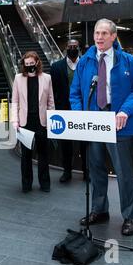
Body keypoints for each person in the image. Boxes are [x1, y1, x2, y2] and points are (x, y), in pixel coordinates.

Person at [69, 18, 133, 236]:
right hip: (93, 123)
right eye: (96, 33)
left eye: (104, 33)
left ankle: (130, 216)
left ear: (113, 36)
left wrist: (124, 111)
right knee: (95, 170)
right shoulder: (84, 62)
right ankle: (99, 210)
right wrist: (80, 115)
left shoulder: (129, 62)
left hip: (118, 122)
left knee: (123, 173)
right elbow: (75, 93)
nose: (99, 37)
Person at [11, 51, 55, 193]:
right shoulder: (18, 78)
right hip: (25, 122)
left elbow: (51, 102)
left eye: (32, 63)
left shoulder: (47, 78)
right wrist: (15, 121)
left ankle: (45, 183)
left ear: (37, 62)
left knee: (43, 154)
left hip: (42, 121)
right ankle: (26, 184)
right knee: (26, 155)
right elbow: (15, 101)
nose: (30, 65)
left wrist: (51, 120)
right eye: (27, 63)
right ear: (24, 64)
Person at [50, 39, 87, 183]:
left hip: (83, 110)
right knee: (65, 144)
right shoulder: (56, 67)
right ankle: (67, 171)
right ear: (66, 48)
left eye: (75, 47)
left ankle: (86, 171)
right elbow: (52, 90)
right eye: (70, 47)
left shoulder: (86, 65)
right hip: (63, 110)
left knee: (84, 142)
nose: (72, 49)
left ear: (79, 48)